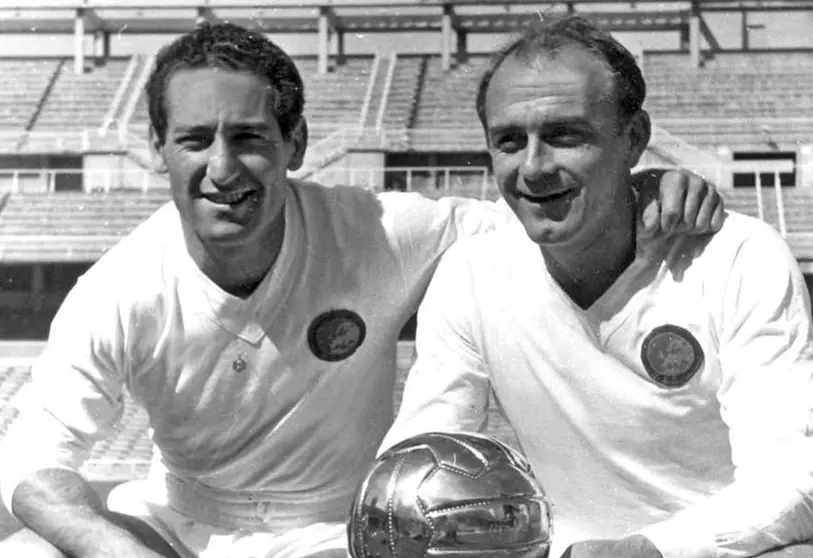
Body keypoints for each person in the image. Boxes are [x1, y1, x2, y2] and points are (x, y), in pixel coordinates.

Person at [0, 22, 725, 558]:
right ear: (158, 148)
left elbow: (537, 216)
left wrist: (634, 188)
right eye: (194, 140)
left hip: (333, 532)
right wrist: (111, 552)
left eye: (249, 137)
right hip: (174, 523)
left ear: (297, 144)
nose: (223, 168)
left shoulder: (381, 231)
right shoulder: (118, 288)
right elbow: (31, 459)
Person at [379, 14, 813, 558]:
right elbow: (422, 454)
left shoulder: (738, 256)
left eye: (565, 135)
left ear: (635, 138)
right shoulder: (470, 273)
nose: (534, 167)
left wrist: (646, 550)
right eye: (508, 141)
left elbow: (794, 478)